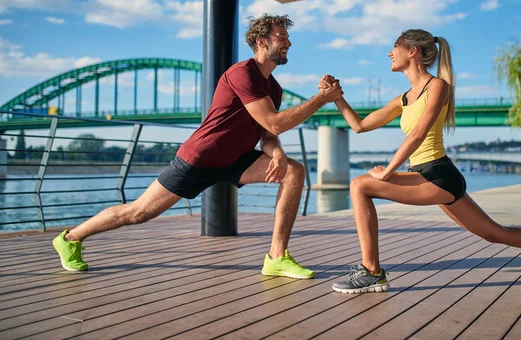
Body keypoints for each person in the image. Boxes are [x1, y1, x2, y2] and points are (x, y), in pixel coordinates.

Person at [53, 14, 343, 279]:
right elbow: (276, 122)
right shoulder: (242, 73)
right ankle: (69, 240)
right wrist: (320, 99)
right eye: (282, 37)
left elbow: (269, 132)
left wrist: (277, 152)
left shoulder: (274, 87)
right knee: (138, 212)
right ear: (261, 41)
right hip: (200, 158)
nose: (288, 43)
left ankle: (276, 257)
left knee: (294, 171)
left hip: (236, 158)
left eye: (287, 38)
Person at [319, 29, 521, 294]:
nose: (390, 52)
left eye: (395, 46)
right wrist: (337, 96)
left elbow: (419, 133)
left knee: (360, 186)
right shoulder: (404, 99)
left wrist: (388, 172)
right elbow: (359, 125)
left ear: (413, 51)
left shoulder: (437, 87)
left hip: (438, 175)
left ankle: (372, 272)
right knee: (494, 233)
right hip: (427, 175)